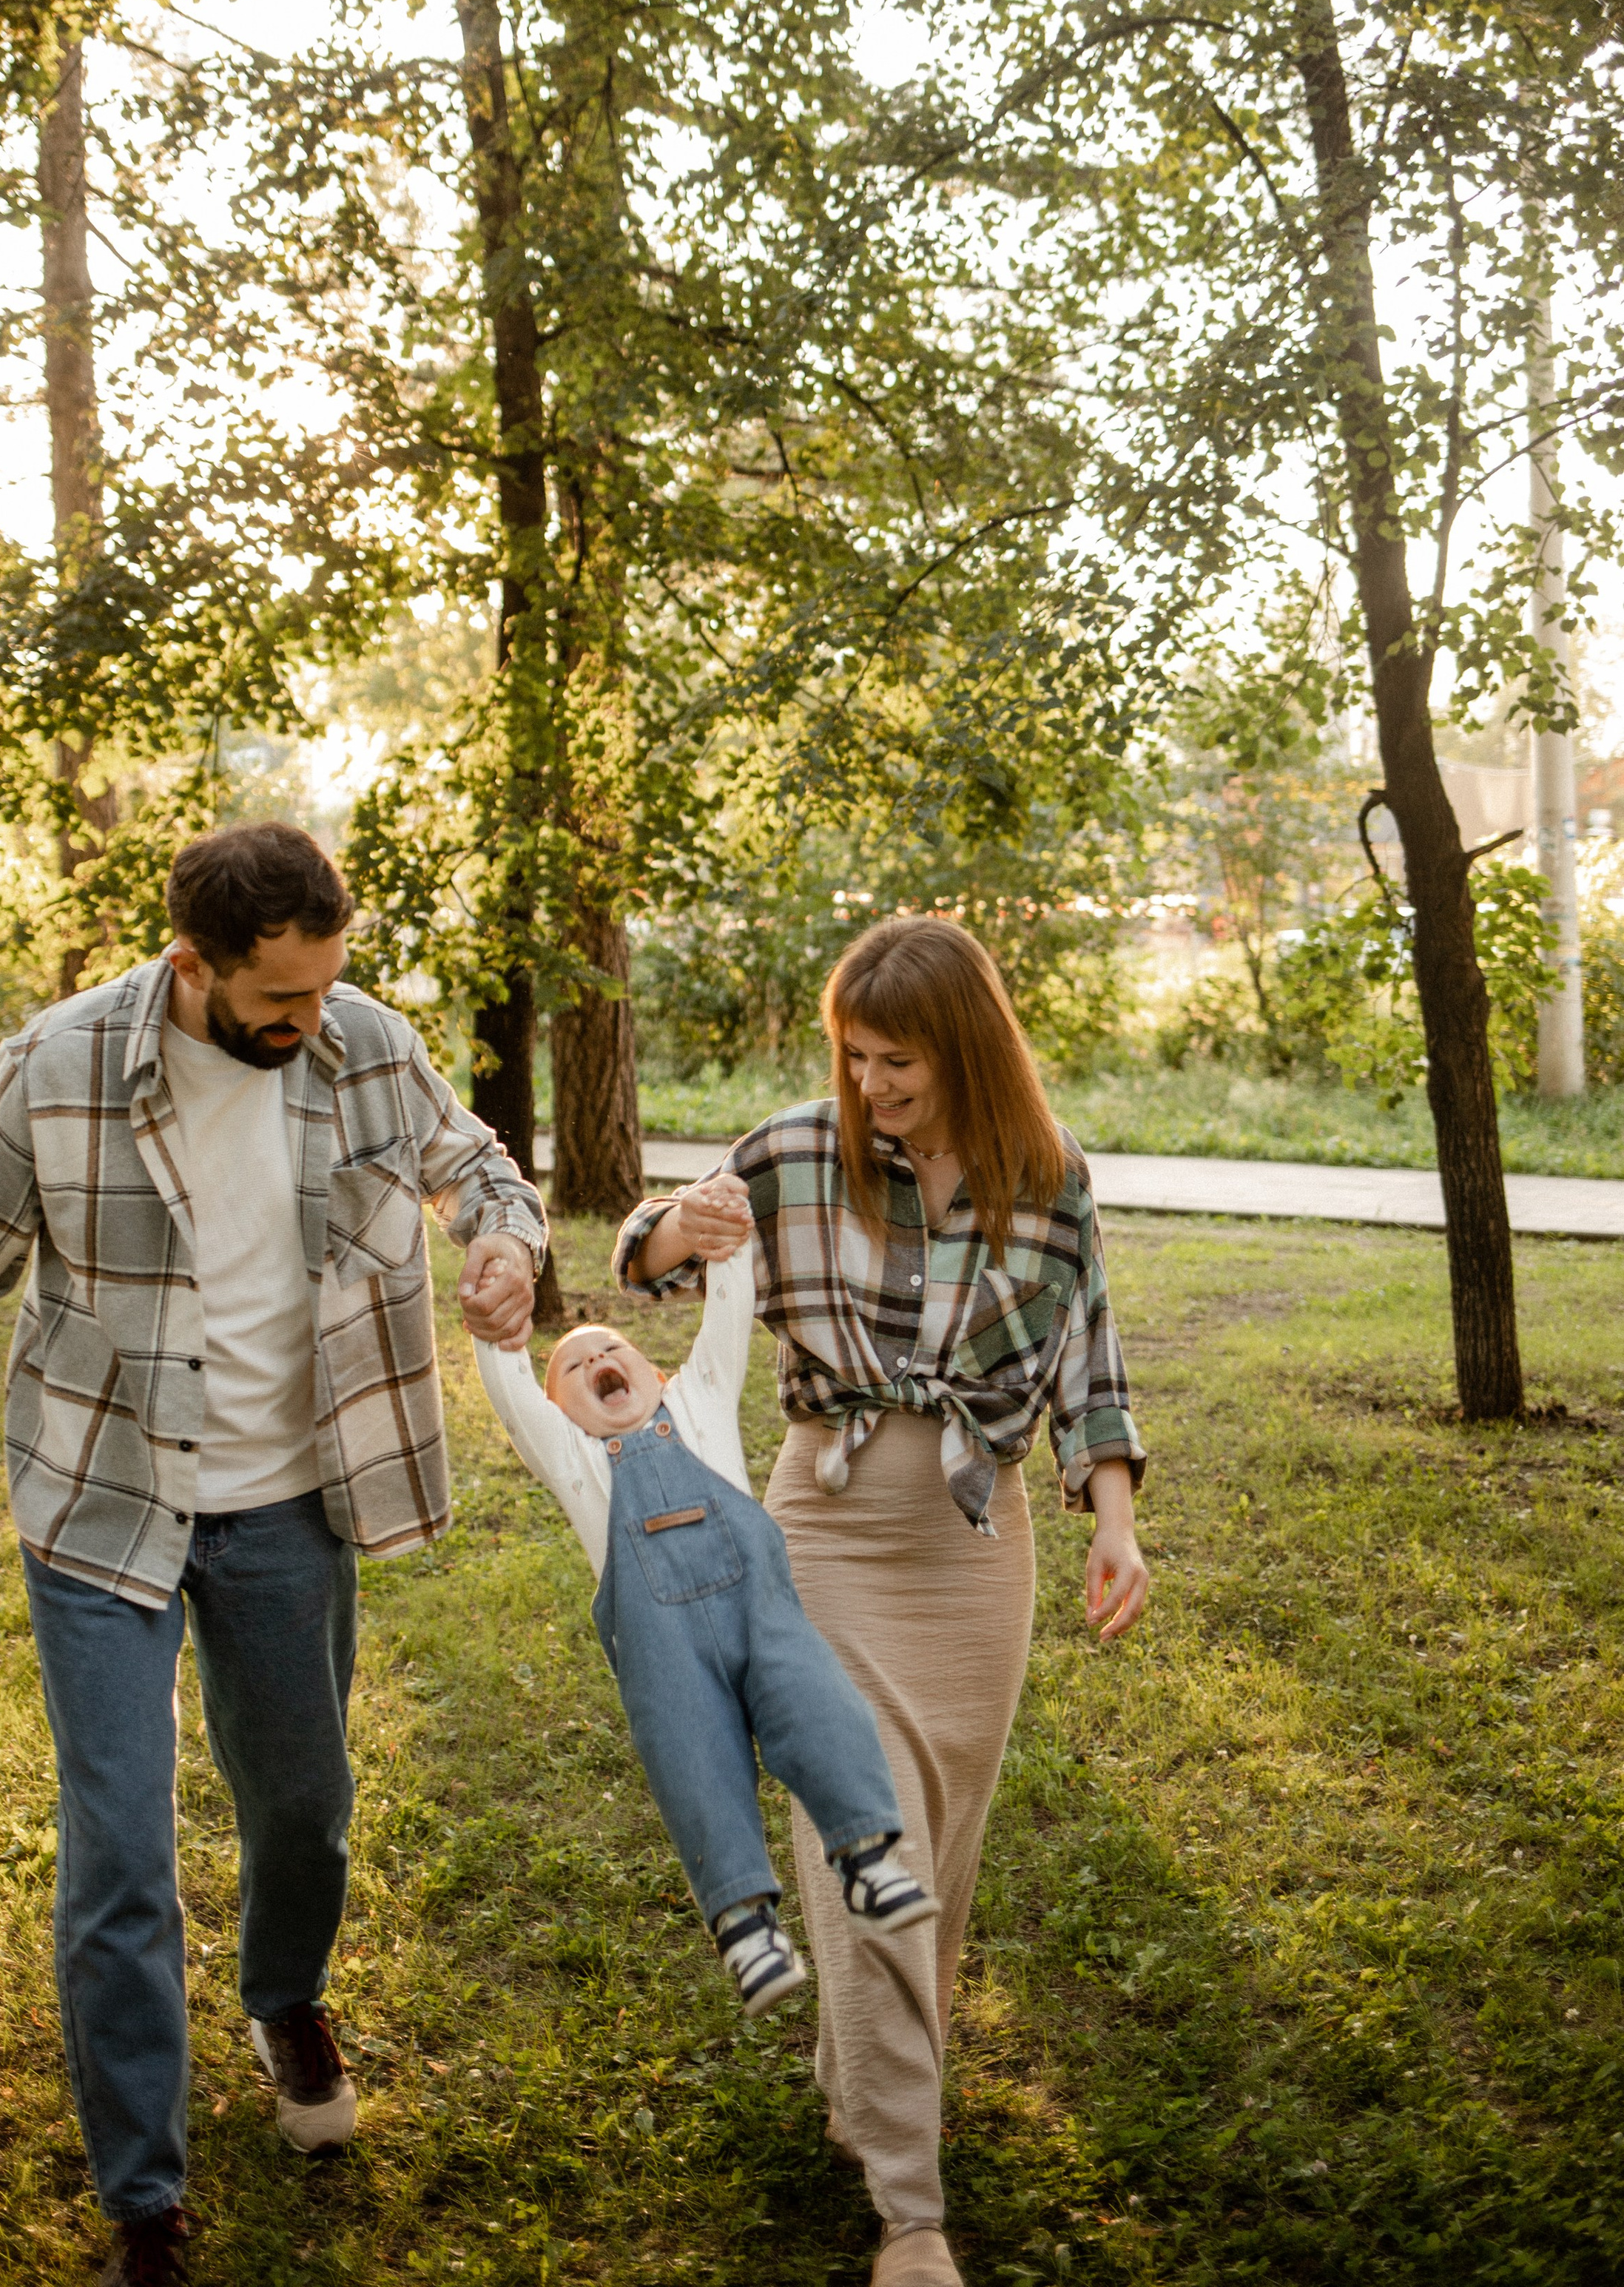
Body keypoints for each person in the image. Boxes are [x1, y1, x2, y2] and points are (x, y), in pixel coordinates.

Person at [0, 823, 545, 2287]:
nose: (308, 1025)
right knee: (119, 1858)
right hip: (101, 1507)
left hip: (292, 1504)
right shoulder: (54, 1068)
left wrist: (503, 1239)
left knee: (303, 1810)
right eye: (277, 1004)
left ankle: (284, 1995)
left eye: (324, 990)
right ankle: (145, 2202)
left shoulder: (359, 1041)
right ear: (193, 966)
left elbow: (476, 1163)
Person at [614, 915, 1149, 2287]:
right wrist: (681, 1223)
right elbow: (648, 1258)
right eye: (853, 1058)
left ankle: (869, 2086)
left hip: (977, 1539)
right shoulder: (798, 1148)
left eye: (897, 1063)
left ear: (966, 1048)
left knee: (942, 1842)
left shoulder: (1052, 1178)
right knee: (873, 1841)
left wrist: (1118, 1524)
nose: (870, 1088)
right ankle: (912, 2213)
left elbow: (1092, 1364)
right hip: (828, 1528)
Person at [474, 1249, 939, 2015]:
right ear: (560, 1414)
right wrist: (496, 1326)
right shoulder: (575, 1457)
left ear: (657, 1374)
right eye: (574, 1367)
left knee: (822, 1706)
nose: (596, 1359)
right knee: (693, 1766)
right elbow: (510, 1394)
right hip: (667, 1657)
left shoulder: (699, 1401)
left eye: (611, 1349)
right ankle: (745, 1927)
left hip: (764, 1619)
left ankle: (868, 1858)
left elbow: (727, 1316)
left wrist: (725, 1243)